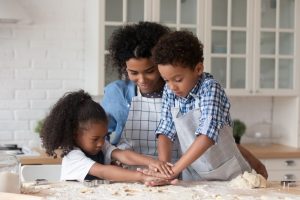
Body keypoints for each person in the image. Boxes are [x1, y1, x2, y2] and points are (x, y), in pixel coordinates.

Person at [102, 21, 267, 179]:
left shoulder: (196, 89)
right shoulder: (118, 93)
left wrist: (253, 162)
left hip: (181, 171)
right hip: (137, 173)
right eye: (133, 73)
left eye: (150, 71)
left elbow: (211, 132)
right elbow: (100, 141)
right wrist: (110, 162)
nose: (142, 79)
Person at [148, 30, 256, 181]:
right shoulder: (170, 91)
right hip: (194, 172)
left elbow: (207, 136)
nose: (172, 86)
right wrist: (164, 168)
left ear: (198, 69)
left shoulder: (210, 88)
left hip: (229, 173)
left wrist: (174, 170)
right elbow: (166, 130)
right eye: (166, 80)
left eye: (178, 79)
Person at [40, 90, 174, 184]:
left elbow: (123, 155)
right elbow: (103, 171)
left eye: (104, 136)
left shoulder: (100, 145)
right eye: (95, 138)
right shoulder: (72, 155)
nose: (101, 143)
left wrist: (153, 162)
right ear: (75, 134)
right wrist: (141, 177)